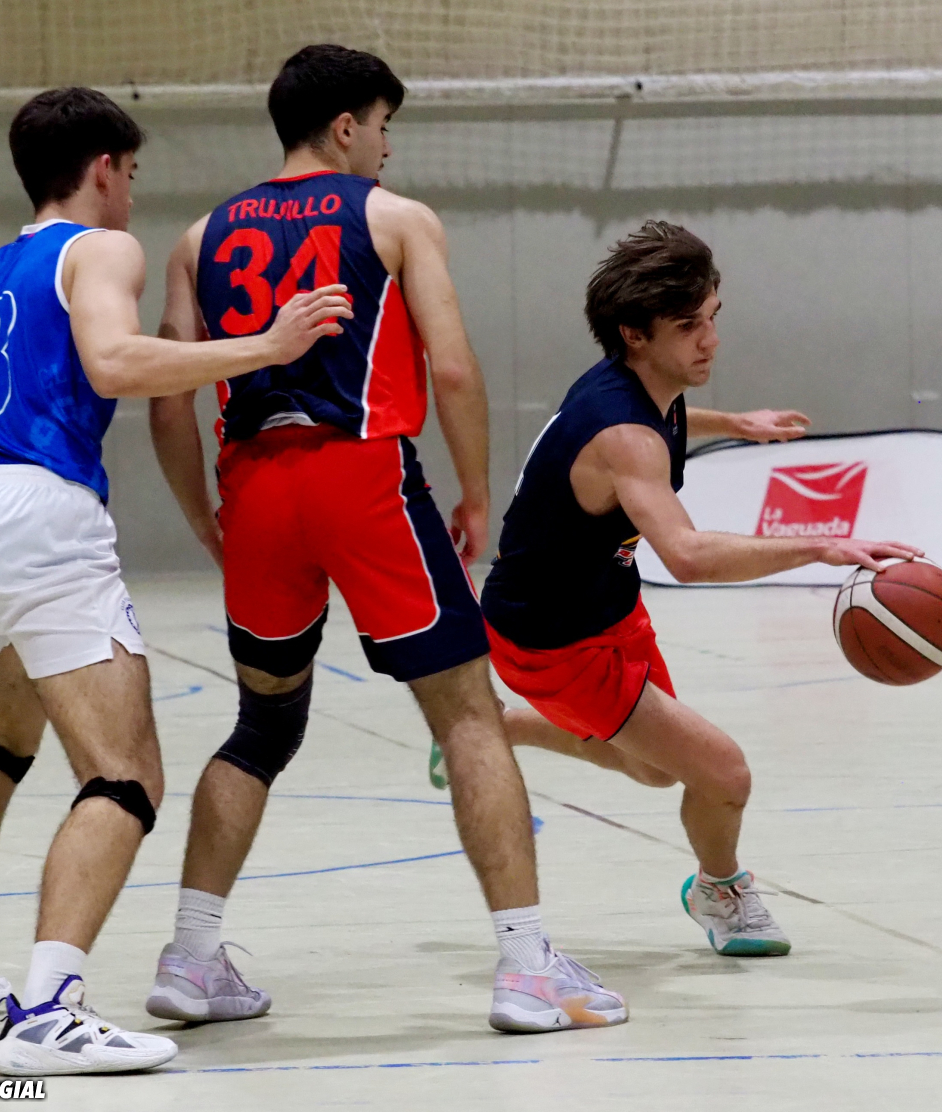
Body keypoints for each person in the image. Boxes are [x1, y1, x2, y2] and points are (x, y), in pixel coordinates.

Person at [146, 44, 627, 1035]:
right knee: (468, 716)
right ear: (344, 127)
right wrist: (478, 489)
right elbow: (451, 369)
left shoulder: (199, 237)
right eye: (381, 126)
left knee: (261, 725)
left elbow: (167, 398)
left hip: (254, 488)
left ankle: (190, 957)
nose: (387, 146)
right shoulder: (395, 219)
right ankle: (525, 965)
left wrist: (200, 510)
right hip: (360, 476)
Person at [0, 86, 351, 1075]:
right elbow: (110, 361)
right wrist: (268, 346)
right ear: (102, 168)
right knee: (123, 772)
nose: (132, 192)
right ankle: (46, 1010)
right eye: (131, 173)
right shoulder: (99, 248)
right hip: (33, 515)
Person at [435, 221, 921, 956]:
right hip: (550, 639)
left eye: (713, 318)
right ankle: (719, 891)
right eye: (689, 326)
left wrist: (737, 425)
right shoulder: (622, 433)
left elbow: (664, 421)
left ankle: (496, 729)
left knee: (657, 772)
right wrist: (822, 545)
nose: (710, 340)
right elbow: (687, 556)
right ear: (634, 334)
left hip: (604, 606)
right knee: (723, 772)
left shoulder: (636, 385)